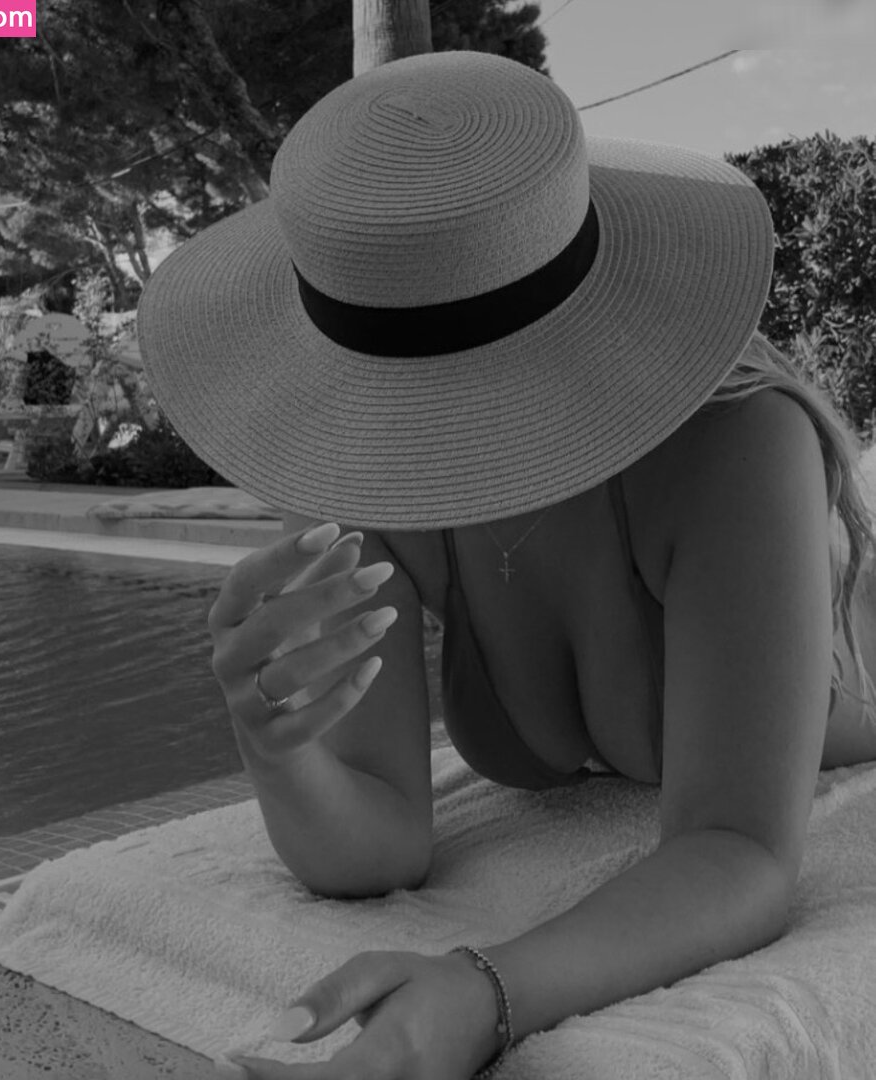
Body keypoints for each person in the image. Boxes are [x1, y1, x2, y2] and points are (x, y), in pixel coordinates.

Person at [137, 50, 876, 1080]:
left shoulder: (733, 446)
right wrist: (274, 742)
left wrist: (484, 993)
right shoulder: (370, 462)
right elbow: (378, 844)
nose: (425, 413)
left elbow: (742, 851)